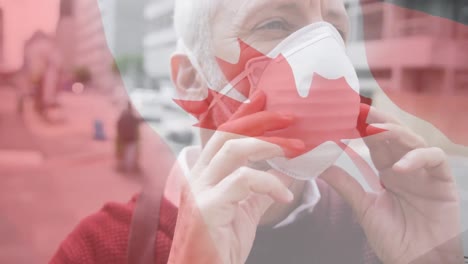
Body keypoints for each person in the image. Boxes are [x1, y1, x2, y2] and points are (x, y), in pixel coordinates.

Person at [50, 0, 464, 263]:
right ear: (193, 79)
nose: (323, 57)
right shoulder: (97, 249)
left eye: (335, 32)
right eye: (277, 23)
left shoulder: (378, 234)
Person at [116, 102, 143, 173]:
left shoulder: (123, 116)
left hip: (123, 137)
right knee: (129, 153)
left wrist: (120, 134)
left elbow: (118, 124)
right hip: (131, 138)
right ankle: (128, 169)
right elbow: (138, 121)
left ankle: (125, 167)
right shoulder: (132, 116)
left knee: (125, 152)